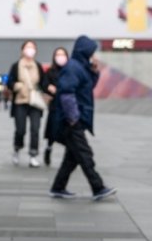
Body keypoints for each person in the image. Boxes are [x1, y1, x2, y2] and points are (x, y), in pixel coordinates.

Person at [49, 36, 117, 201]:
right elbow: (66, 94)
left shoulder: (80, 67)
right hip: (71, 121)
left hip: (75, 119)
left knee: (72, 157)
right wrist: (73, 118)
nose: (94, 56)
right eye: (92, 52)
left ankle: (58, 187)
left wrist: (94, 72)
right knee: (85, 154)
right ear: (85, 52)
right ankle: (98, 187)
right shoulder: (73, 68)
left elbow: (86, 88)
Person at [7, 40, 45, 168]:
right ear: (22, 50)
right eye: (28, 47)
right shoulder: (16, 66)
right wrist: (16, 86)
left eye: (33, 47)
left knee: (35, 129)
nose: (30, 50)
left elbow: (44, 83)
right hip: (20, 101)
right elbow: (9, 82)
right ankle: (17, 149)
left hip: (35, 102)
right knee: (20, 129)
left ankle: (33, 155)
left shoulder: (38, 66)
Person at [41, 47, 69, 166]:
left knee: (68, 132)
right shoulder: (50, 71)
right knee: (52, 131)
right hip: (55, 105)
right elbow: (44, 84)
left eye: (62, 54)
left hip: (67, 106)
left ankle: (69, 154)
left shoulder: (70, 71)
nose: (60, 57)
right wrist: (49, 88)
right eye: (58, 54)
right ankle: (48, 148)